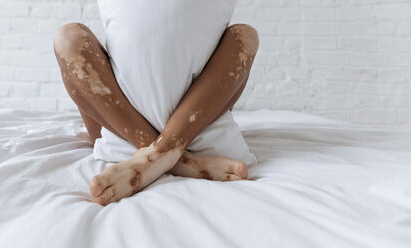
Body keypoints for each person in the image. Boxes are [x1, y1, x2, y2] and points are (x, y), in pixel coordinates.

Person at [53, 22, 259, 205]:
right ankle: (175, 159)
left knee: (246, 34)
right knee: (67, 35)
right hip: (117, 124)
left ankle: (157, 155)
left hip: (195, 117)